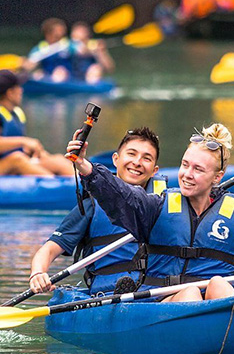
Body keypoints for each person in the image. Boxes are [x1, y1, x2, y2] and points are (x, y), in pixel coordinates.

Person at [67, 123, 234, 302]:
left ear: (217, 177)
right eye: (185, 165)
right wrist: (85, 167)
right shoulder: (156, 207)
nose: (187, 174)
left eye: (198, 169)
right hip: (165, 306)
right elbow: (121, 196)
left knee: (217, 284)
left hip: (220, 307)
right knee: (190, 293)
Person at [27, 127, 169, 297]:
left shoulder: (165, 205)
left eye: (146, 158)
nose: (137, 162)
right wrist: (38, 273)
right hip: (108, 295)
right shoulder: (92, 206)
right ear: (115, 160)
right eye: (131, 154)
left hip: (156, 294)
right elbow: (49, 249)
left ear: (155, 170)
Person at [0, 69, 73, 177]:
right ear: (10, 93)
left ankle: (81, 185)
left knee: (57, 160)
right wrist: (23, 142)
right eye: (18, 87)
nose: (21, 90)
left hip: (4, 165)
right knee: (17, 159)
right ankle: (55, 187)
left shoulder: (11, 113)